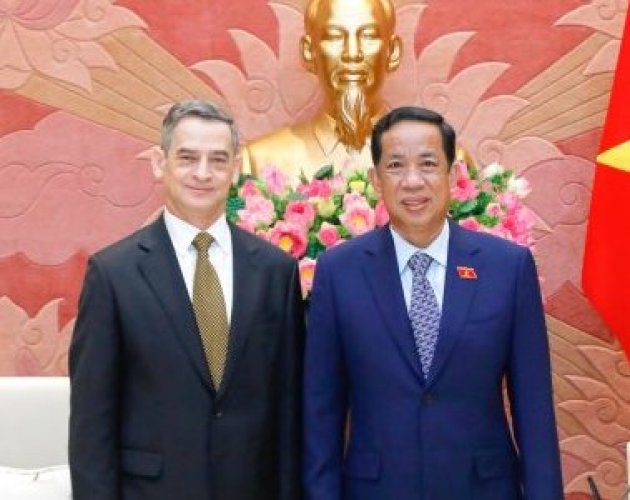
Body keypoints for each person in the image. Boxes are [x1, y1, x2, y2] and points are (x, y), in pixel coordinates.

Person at [303, 106, 563, 499]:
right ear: (375, 179)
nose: (412, 181)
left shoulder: (507, 268)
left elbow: (534, 408)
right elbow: (321, 410)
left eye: (428, 164)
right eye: (395, 166)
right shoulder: (339, 271)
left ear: (453, 175)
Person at [69, 100, 304, 500]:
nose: (202, 173)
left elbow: (288, 409)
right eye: (187, 158)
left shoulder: (275, 271)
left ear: (235, 168)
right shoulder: (113, 275)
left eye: (218, 160)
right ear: (160, 163)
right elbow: (93, 424)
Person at [244, 0, 402, 180]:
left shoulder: (425, 158)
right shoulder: (261, 161)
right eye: (334, 37)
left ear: (393, 52)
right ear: (309, 51)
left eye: (368, 36)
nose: (352, 54)